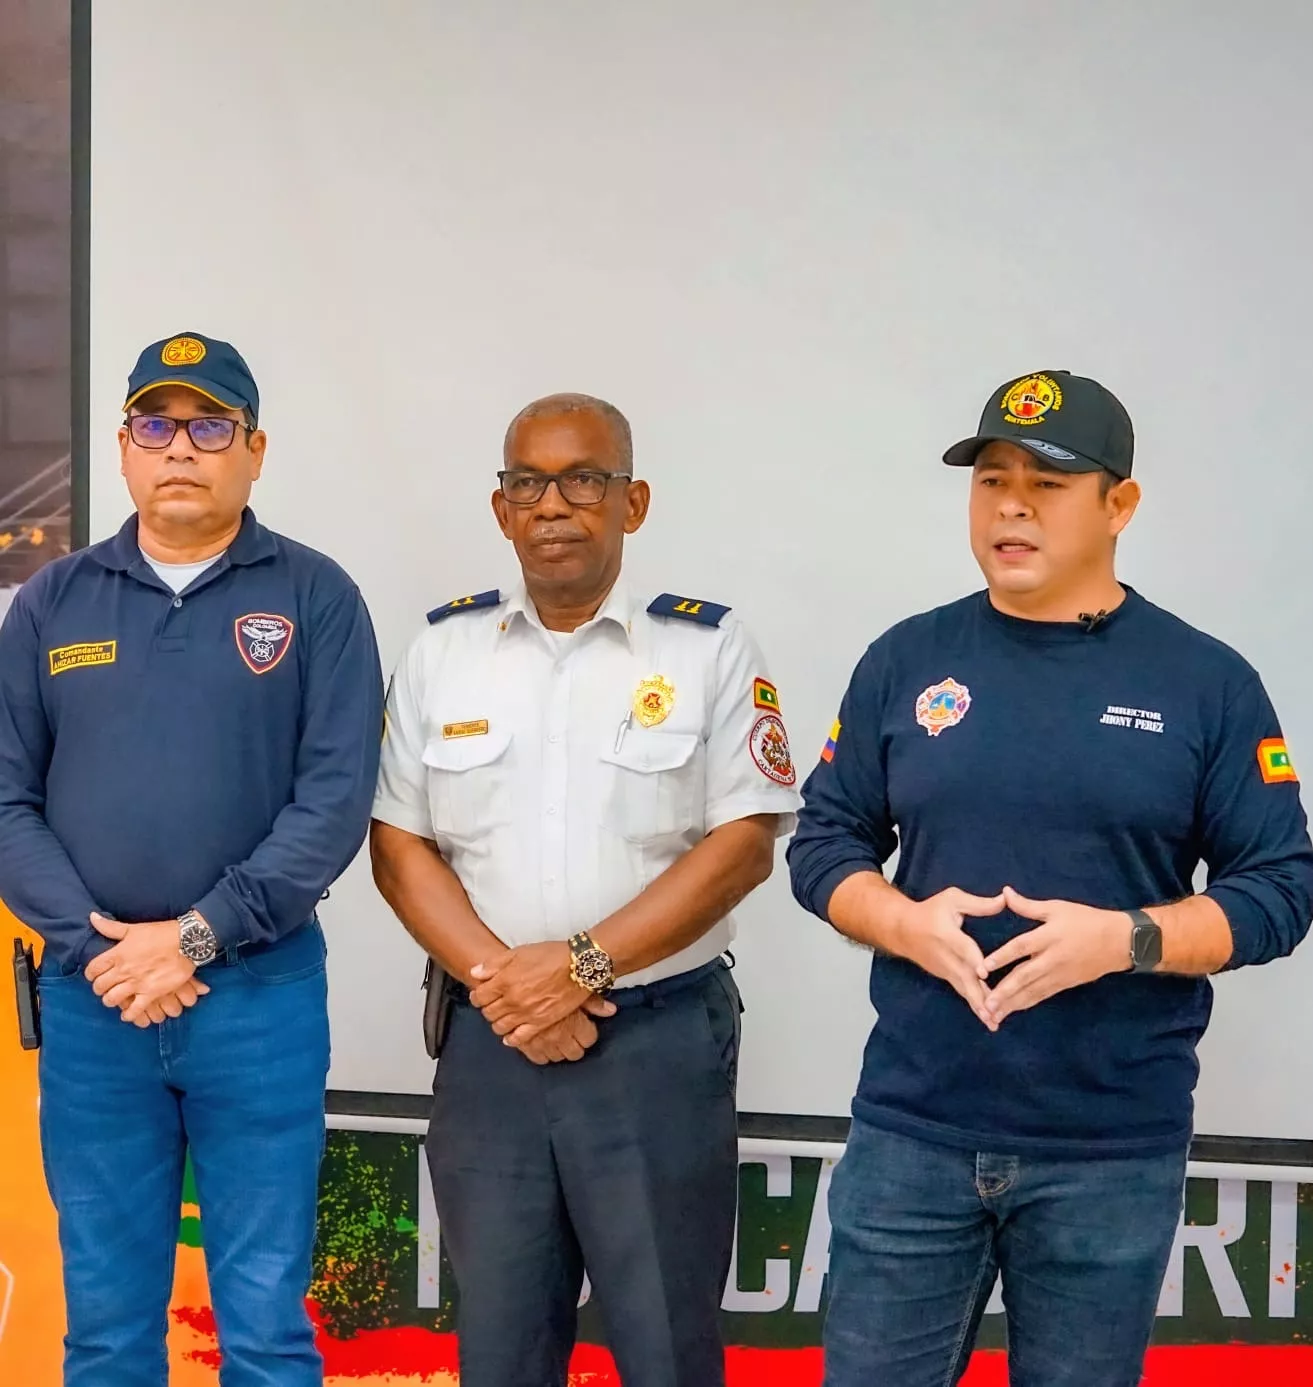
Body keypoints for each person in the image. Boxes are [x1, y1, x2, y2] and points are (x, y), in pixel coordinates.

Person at [787, 369, 1313, 1387]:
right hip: (910, 1129)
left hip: (1107, 1148)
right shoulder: (906, 658)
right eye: (991, 480)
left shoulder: (1204, 682)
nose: (1011, 507)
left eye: (1048, 482)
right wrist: (899, 921)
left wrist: (1125, 939)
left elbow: (1279, 888)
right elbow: (823, 842)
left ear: (1119, 504)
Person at [370, 392, 800, 1387]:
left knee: (664, 1348)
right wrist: (506, 985)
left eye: (583, 480)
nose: (553, 504)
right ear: (501, 508)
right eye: (528, 483)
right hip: (491, 1046)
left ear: (631, 502)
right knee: (501, 1352)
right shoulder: (442, 651)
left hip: (653, 1045)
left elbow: (743, 843)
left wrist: (580, 967)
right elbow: (397, 845)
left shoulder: (706, 648)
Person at [0, 332, 383, 1387]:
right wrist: (101, 951)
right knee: (106, 1334)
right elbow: (6, 801)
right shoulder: (51, 603)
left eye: (210, 425)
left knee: (263, 1331)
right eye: (157, 424)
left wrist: (198, 936)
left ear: (255, 450)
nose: (181, 447)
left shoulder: (315, 596)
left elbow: (332, 802)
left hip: (257, 1002)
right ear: (124, 447)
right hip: (95, 1009)